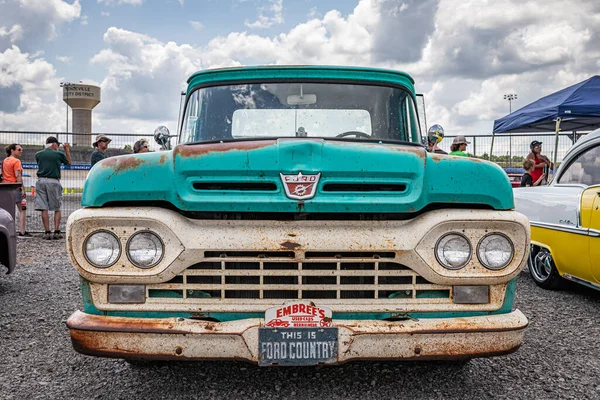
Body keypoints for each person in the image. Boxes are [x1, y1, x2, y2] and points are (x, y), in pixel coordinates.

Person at [35, 136, 72, 240]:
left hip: (41, 180)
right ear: (54, 144)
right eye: (58, 145)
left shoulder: (38, 154)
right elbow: (69, 163)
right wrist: (67, 150)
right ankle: (56, 231)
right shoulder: (58, 154)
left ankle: (47, 232)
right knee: (57, 207)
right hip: (53, 181)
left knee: (43, 208)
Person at [2, 144, 32, 237]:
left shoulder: (5, 160)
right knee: (22, 209)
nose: (21, 151)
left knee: (8, 210)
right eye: (19, 149)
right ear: (12, 150)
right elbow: (18, 175)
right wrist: (22, 189)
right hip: (15, 187)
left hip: (5, 187)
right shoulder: (16, 161)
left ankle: (8, 230)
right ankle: (22, 231)